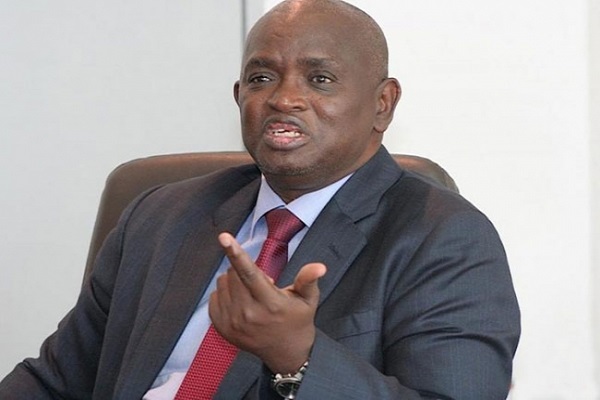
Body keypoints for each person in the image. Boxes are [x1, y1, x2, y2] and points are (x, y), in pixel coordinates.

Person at [0, 0, 520, 399]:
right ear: (239, 96)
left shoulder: (445, 237)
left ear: (383, 103)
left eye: (320, 79)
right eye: (261, 78)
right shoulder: (159, 216)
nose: (284, 98)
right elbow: (52, 383)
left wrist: (299, 357)